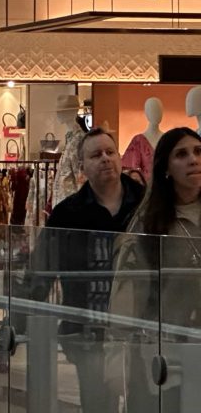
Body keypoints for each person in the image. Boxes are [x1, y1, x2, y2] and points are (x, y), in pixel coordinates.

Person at [18, 128, 144, 413]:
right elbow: (41, 269)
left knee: (142, 400)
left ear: (120, 157)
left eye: (110, 152)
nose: (105, 159)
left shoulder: (145, 205)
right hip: (87, 330)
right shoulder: (69, 213)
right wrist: (15, 325)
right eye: (96, 155)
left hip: (139, 331)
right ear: (82, 165)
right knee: (97, 401)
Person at [111, 126, 201, 413]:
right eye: (182, 154)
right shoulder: (149, 225)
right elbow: (129, 287)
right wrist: (117, 347)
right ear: (165, 168)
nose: (194, 160)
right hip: (164, 347)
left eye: (199, 152)